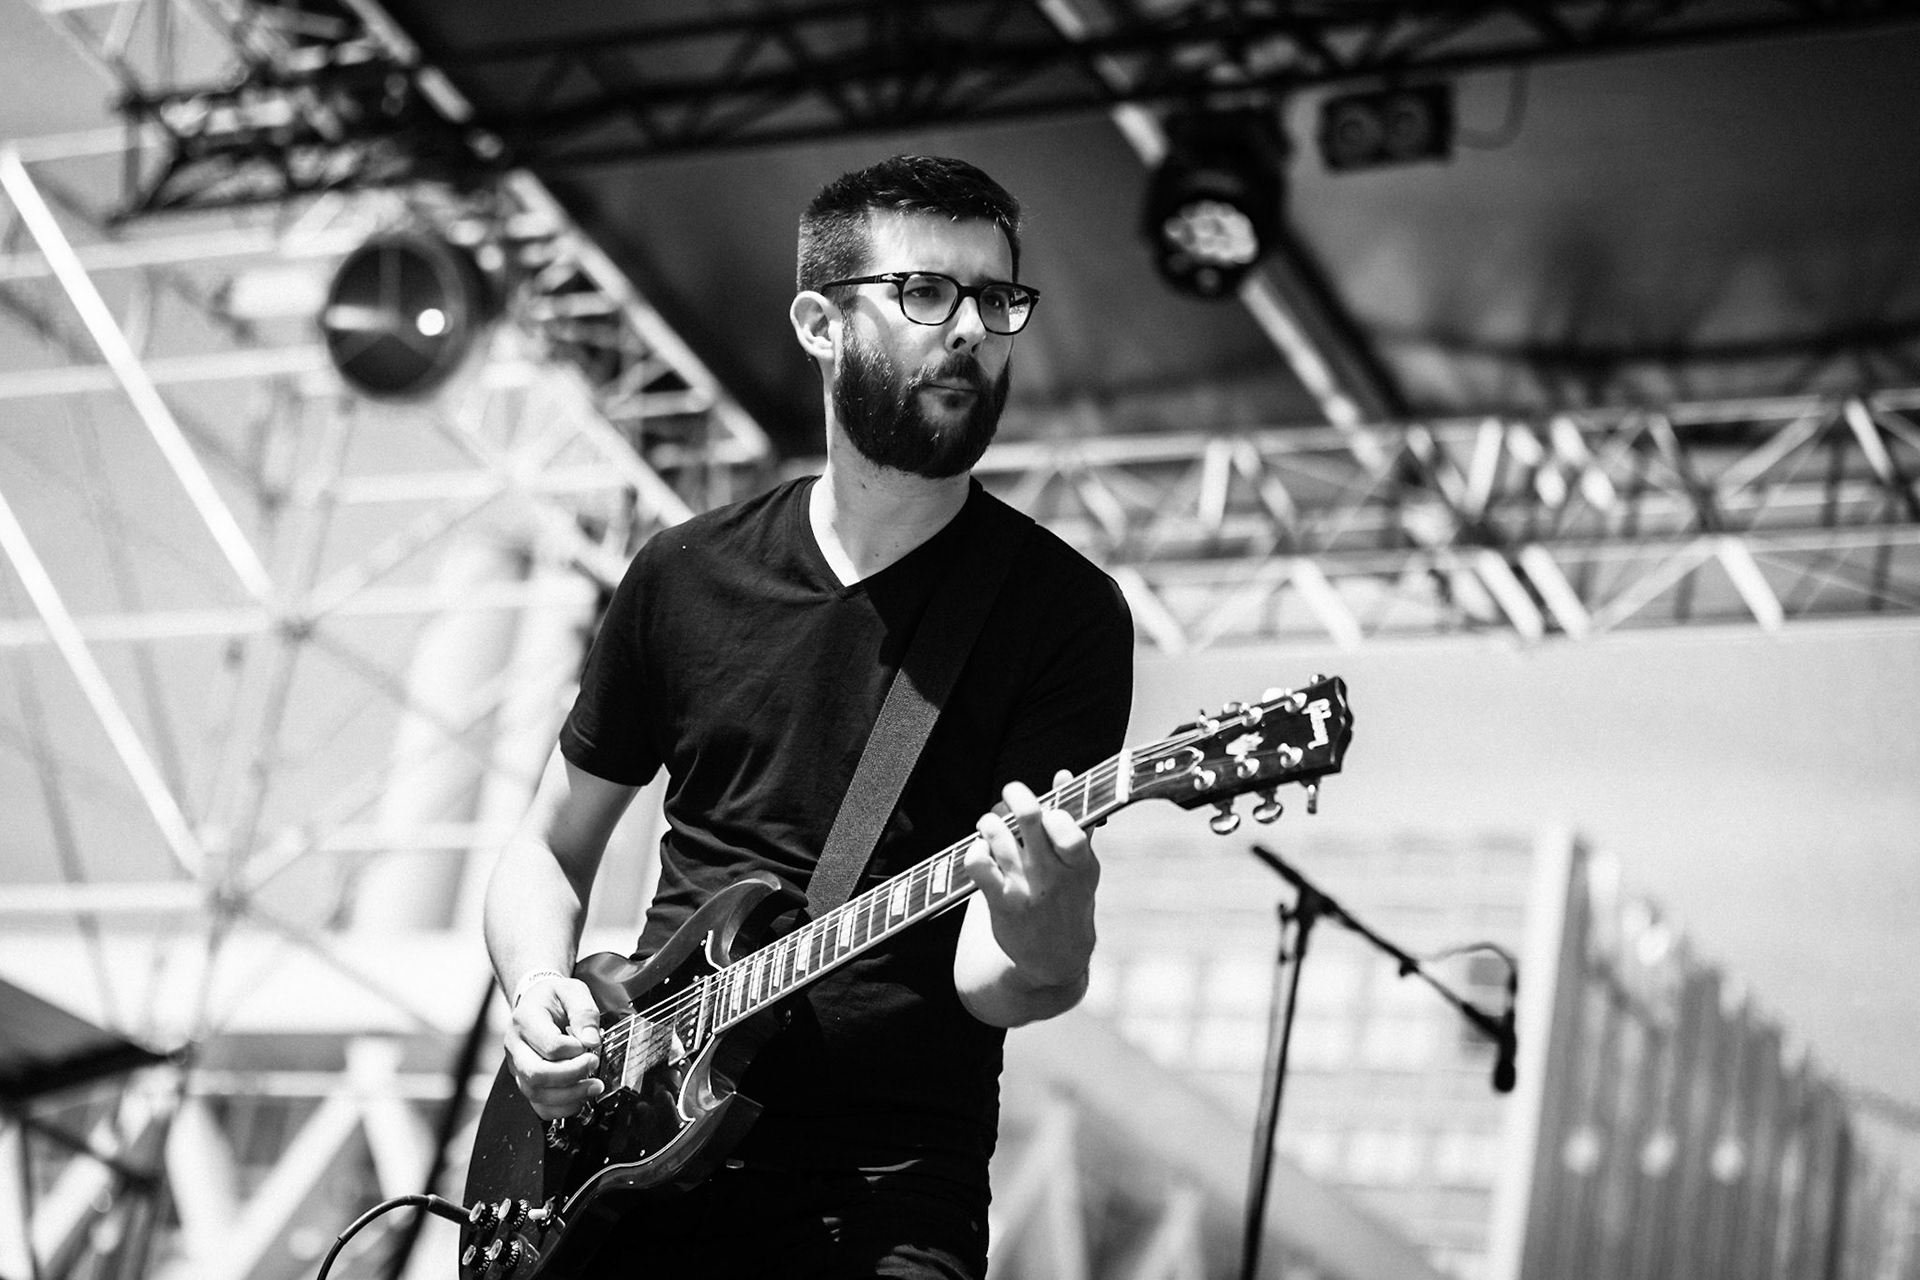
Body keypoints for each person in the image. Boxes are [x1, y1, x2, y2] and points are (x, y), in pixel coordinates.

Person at [483, 154, 1134, 1279]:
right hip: (621, 1154)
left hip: (880, 1196)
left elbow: (999, 978)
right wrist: (542, 992)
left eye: (997, 299)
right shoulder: (683, 575)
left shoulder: (1060, 614)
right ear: (819, 322)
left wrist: (1050, 922)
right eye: (926, 293)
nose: (972, 329)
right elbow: (548, 847)